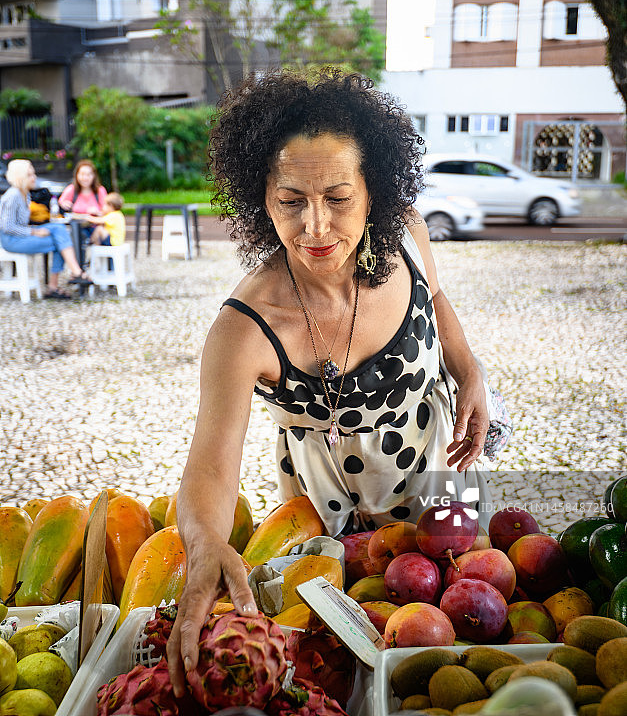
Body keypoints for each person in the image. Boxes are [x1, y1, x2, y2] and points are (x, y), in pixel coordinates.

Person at [167, 70, 494, 695]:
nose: (315, 227)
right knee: (351, 661)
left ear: (375, 192)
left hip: (444, 473)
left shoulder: (407, 236)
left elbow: (439, 300)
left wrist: (469, 370)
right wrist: (205, 538)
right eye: (291, 200)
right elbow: (211, 464)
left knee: (466, 617)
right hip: (328, 518)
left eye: (338, 198)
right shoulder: (244, 331)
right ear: (260, 198)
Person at [0, 159, 91, 299]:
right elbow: (7, 227)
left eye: (33, 174)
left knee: (58, 229)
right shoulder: (13, 195)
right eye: (30, 175)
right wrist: (34, 231)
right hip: (11, 240)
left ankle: (73, 273)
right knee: (59, 242)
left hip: (21, 236)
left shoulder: (26, 194)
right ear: (21, 177)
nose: (34, 177)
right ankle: (64, 280)